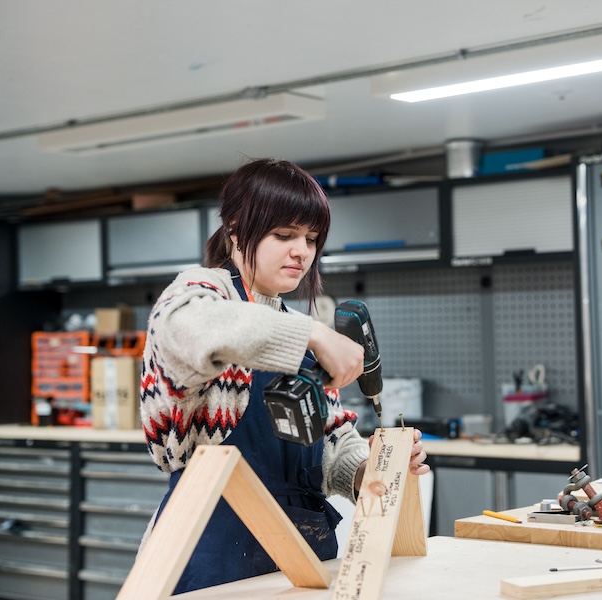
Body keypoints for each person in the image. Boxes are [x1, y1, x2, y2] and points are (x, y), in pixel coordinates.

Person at [138, 157, 430, 593]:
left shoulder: (289, 325)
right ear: (236, 230)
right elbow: (194, 328)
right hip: (211, 551)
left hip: (304, 554)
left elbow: (328, 443)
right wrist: (312, 333)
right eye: (284, 235)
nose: (303, 252)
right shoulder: (198, 294)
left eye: (311, 239)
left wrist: (369, 470)